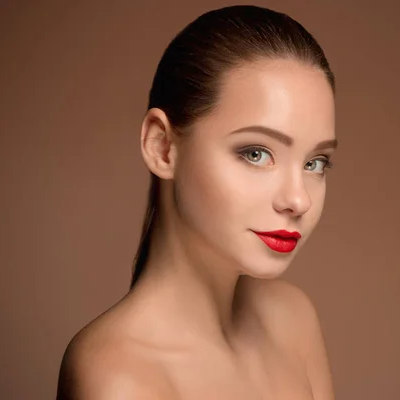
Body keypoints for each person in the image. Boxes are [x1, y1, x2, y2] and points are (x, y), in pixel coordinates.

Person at [56, 5, 338, 399]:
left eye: (315, 162)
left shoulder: (292, 319)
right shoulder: (118, 375)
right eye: (256, 153)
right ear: (163, 147)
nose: (298, 199)